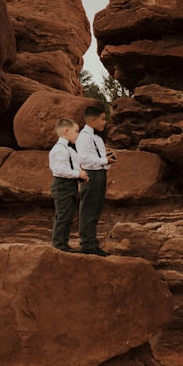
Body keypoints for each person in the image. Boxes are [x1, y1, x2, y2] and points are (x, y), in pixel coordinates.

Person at [76, 105, 116, 256]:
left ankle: (91, 242)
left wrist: (106, 159)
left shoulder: (96, 138)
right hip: (91, 174)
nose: (105, 122)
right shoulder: (84, 137)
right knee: (89, 209)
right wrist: (104, 160)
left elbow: (95, 157)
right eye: (103, 119)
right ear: (92, 120)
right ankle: (87, 244)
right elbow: (83, 158)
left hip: (99, 174)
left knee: (96, 209)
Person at [48, 118, 88, 252]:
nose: (78, 134)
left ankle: (64, 243)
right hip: (62, 185)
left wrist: (82, 176)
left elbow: (73, 166)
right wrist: (78, 174)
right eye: (76, 131)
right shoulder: (59, 149)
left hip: (70, 185)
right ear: (66, 131)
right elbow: (59, 170)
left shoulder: (70, 149)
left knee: (69, 215)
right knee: (63, 215)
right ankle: (58, 245)